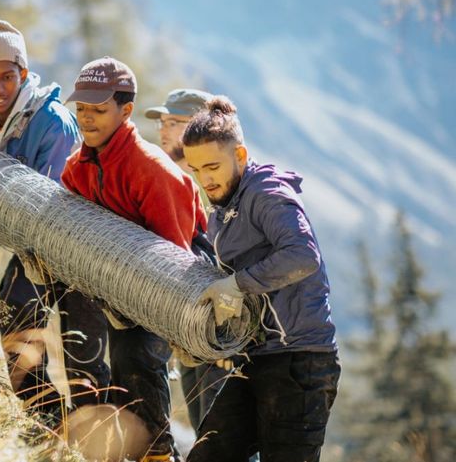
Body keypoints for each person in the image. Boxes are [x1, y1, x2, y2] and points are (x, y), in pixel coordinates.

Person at [0, 16, 108, 417]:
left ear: (23, 73)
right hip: (29, 250)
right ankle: (48, 422)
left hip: (79, 247)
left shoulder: (51, 122)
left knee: (82, 354)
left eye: (8, 76)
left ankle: (102, 440)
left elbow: (49, 202)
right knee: (15, 325)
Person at [61, 57, 208, 462]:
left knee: (136, 362)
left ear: (126, 111)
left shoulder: (152, 170)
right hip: (111, 283)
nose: (87, 120)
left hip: (172, 281)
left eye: (98, 110)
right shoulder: (80, 166)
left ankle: (158, 454)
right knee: (91, 358)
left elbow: (176, 255)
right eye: (82, 110)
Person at [183, 96, 339, 462]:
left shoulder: (267, 193)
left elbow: (303, 256)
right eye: (195, 169)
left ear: (239, 156)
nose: (204, 179)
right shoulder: (224, 207)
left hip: (301, 364)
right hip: (256, 359)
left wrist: (238, 285)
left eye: (212, 166)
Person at [145, 89, 226, 432]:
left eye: (174, 122)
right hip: (184, 327)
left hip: (219, 331)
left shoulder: (215, 184)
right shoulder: (165, 179)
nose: (163, 130)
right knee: (204, 434)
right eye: (162, 122)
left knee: (225, 439)